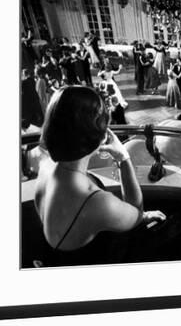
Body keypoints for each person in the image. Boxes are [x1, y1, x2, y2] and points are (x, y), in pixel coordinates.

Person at [35, 86, 166, 262]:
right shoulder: (96, 202)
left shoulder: (46, 166)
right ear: (102, 135)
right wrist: (123, 158)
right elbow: (136, 214)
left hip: (52, 258)